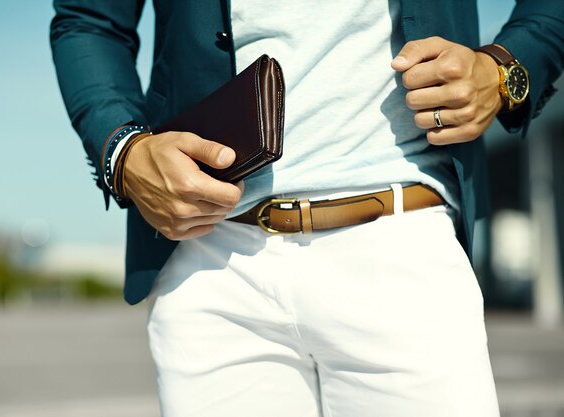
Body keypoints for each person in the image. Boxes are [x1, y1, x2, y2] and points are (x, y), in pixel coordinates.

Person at [50, 1, 564, 416]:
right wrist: (126, 151)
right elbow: (89, 20)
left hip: (401, 248)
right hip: (211, 259)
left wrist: (505, 68)